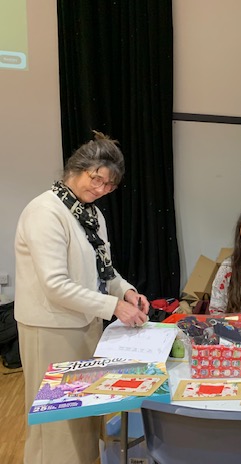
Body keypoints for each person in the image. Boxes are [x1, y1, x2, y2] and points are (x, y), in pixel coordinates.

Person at [14, 131, 150, 464]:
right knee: (56, 422)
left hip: (85, 324)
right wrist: (114, 306)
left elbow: (104, 270)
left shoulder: (90, 213)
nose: (101, 189)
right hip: (51, 329)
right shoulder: (46, 211)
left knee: (84, 411)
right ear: (76, 168)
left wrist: (126, 291)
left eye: (109, 185)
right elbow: (56, 284)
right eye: (96, 179)